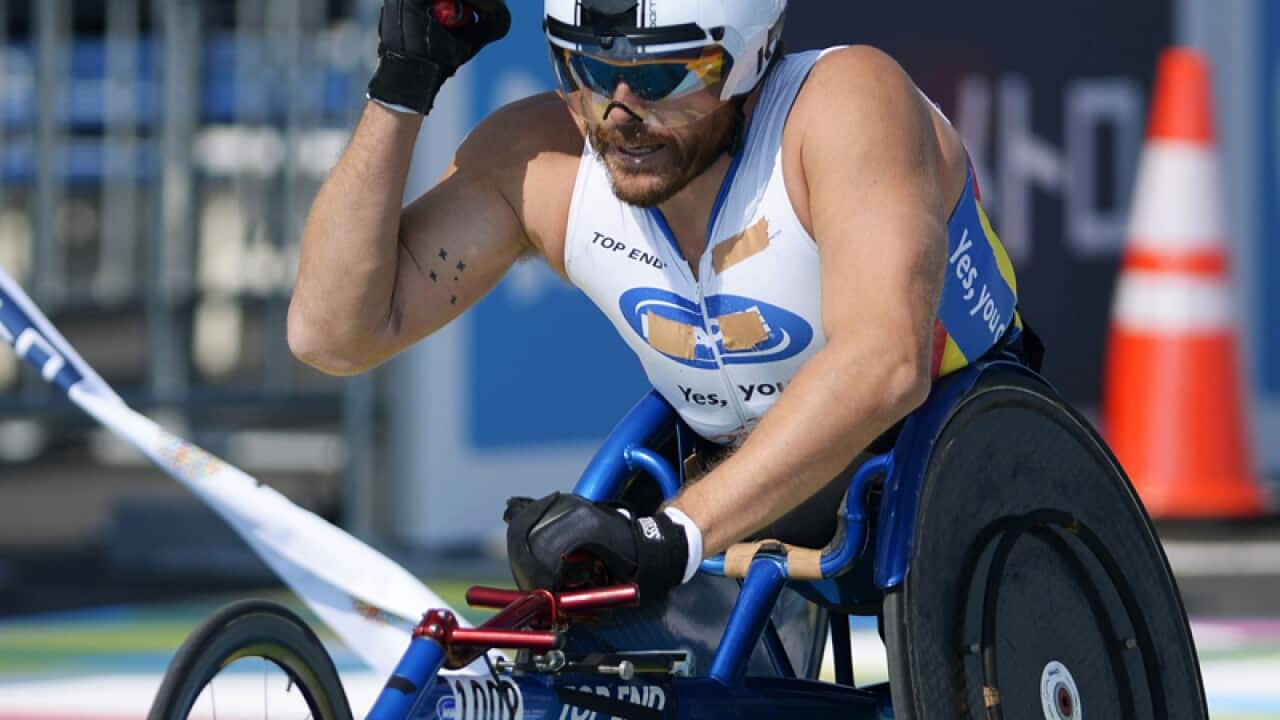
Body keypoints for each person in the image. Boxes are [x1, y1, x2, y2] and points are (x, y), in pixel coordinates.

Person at [288, 0, 1029, 602]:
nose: (617, 112)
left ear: (748, 58)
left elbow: (885, 365)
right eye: (587, 66)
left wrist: (669, 533)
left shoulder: (846, 103)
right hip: (715, 479)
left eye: (661, 76)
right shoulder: (539, 161)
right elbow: (332, 335)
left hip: (950, 470)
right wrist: (400, 89)